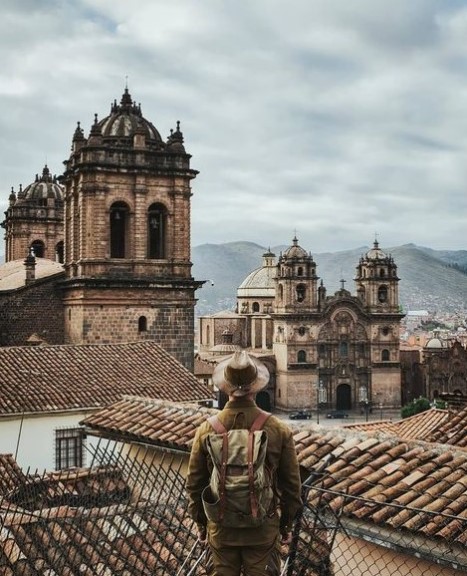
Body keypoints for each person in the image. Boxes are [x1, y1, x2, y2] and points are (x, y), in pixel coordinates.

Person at [186, 349, 302, 576]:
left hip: (221, 529)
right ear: (256, 386)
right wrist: (286, 525)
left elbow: (194, 485)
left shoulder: (207, 429)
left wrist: (201, 525)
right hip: (262, 530)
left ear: (225, 386)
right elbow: (291, 487)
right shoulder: (278, 429)